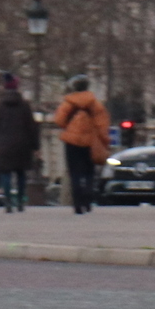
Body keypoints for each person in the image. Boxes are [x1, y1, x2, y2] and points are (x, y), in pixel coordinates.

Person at [52, 74, 112, 215]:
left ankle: (77, 203)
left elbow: (59, 121)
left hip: (72, 142)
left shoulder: (67, 103)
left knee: (75, 173)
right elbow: (102, 126)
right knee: (89, 172)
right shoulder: (96, 105)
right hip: (90, 142)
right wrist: (105, 142)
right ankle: (88, 199)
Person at [0, 75, 38, 213]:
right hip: (22, 144)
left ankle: (8, 201)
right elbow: (32, 127)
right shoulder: (25, 106)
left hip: (3, 144)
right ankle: (21, 201)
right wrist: (35, 146)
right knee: (21, 173)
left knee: (5, 173)